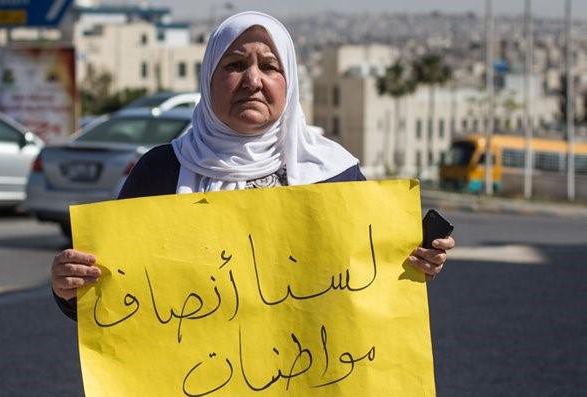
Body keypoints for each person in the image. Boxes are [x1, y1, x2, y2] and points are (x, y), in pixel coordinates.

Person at [51, 11, 455, 319]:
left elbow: (373, 288)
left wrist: (419, 263)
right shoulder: (162, 171)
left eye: (269, 66)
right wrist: (69, 288)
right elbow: (112, 303)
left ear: (290, 82)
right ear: (208, 79)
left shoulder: (332, 173)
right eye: (234, 65)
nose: (253, 80)